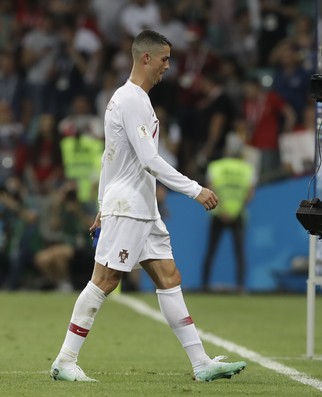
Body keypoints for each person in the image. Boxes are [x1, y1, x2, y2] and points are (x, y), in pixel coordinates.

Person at [50, 30, 246, 383]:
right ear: (146, 58)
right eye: (165, 59)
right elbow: (148, 160)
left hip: (137, 206)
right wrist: (195, 189)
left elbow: (109, 160)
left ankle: (201, 363)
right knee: (105, 280)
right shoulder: (133, 100)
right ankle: (65, 360)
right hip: (130, 206)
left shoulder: (125, 99)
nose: (167, 67)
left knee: (169, 277)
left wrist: (99, 205)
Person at [200, 133, 256, 292]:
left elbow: (210, 189)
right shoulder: (247, 169)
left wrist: (222, 209)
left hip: (217, 213)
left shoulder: (215, 166)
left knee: (211, 251)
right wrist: (235, 209)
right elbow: (250, 194)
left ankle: (204, 285)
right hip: (238, 214)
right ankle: (240, 286)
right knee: (239, 253)